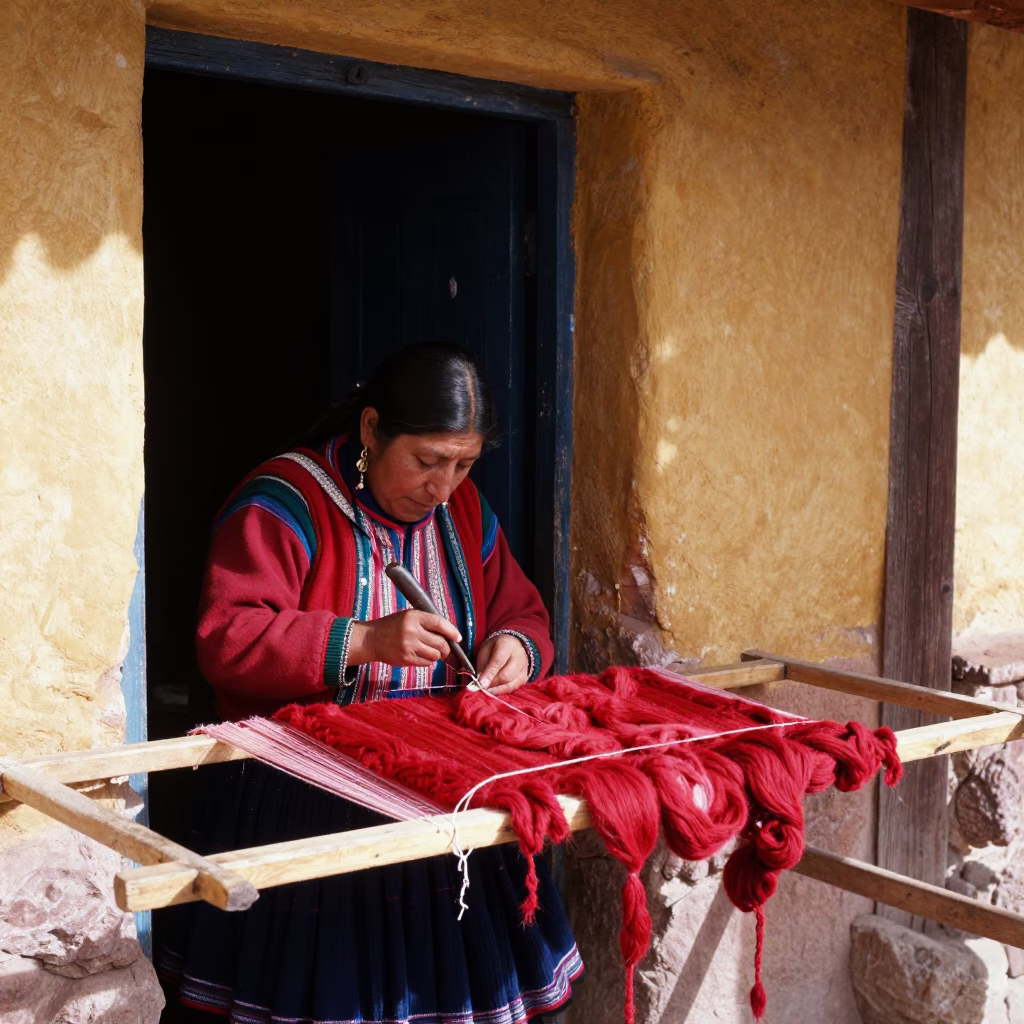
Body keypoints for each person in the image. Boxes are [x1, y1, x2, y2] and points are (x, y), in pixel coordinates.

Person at [158, 342, 583, 1023]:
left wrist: (517, 650)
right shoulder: (284, 502)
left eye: (464, 464)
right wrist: (363, 641)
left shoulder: (463, 511)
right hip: (302, 803)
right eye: (426, 461)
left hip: (441, 798)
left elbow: (520, 610)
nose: (444, 485)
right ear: (370, 430)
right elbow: (226, 637)